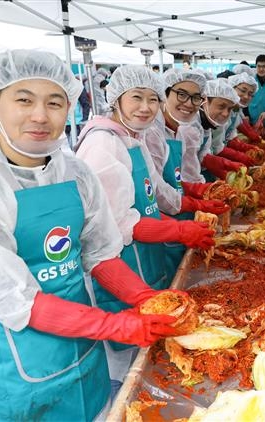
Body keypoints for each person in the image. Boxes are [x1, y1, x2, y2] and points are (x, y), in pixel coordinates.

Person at [0, 50, 180, 421]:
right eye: (23, 100)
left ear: (69, 107)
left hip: (81, 346)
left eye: (54, 102)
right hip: (8, 366)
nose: (39, 116)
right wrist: (113, 324)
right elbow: (15, 298)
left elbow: (100, 254)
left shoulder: (76, 173)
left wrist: (145, 298)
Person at [75, 65, 215, 388]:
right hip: (118, 269)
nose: (146, 107)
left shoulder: (132, 139)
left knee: (153, 353)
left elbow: (155, 194)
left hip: (143, 258)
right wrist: (179, 230)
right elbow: (118, 224)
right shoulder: (103, 145)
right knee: (130, 369)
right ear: (116, 99)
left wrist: (192, 206)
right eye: (136, 97)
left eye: (152, 99)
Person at [145, 68, 229, 278]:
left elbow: (176, 178)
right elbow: (156, 189)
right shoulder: (152, 133)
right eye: (181, 94)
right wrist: (196, 203)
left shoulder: (180, 129)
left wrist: (198, 189)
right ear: (164, 93)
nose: (188, 103)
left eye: (195, 97)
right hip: (158, 223)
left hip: (177, 215)